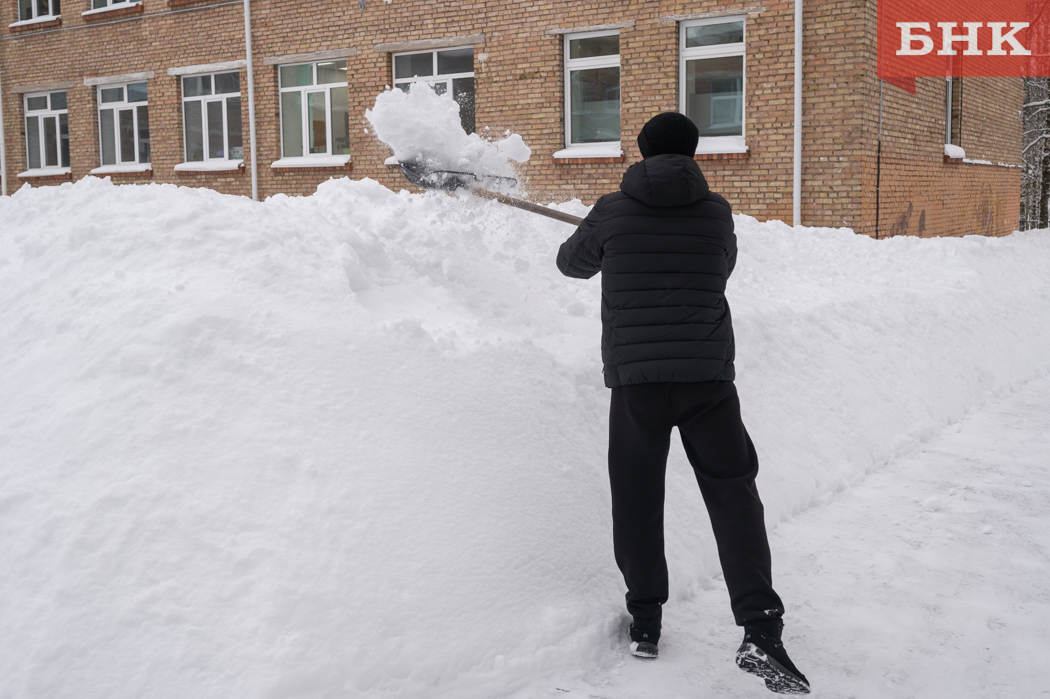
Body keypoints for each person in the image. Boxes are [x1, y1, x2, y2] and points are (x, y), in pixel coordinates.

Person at [556, 112, 810, 695]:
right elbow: (723, 267)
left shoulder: (611, 210)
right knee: (733, 493)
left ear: (641, 153)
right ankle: (761, 628)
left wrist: (602, 233)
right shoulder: (717, 212)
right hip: (708, 382)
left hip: (639, 383)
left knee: (638, 498)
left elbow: (571, 264)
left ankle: (645, 621)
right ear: (695, 153)